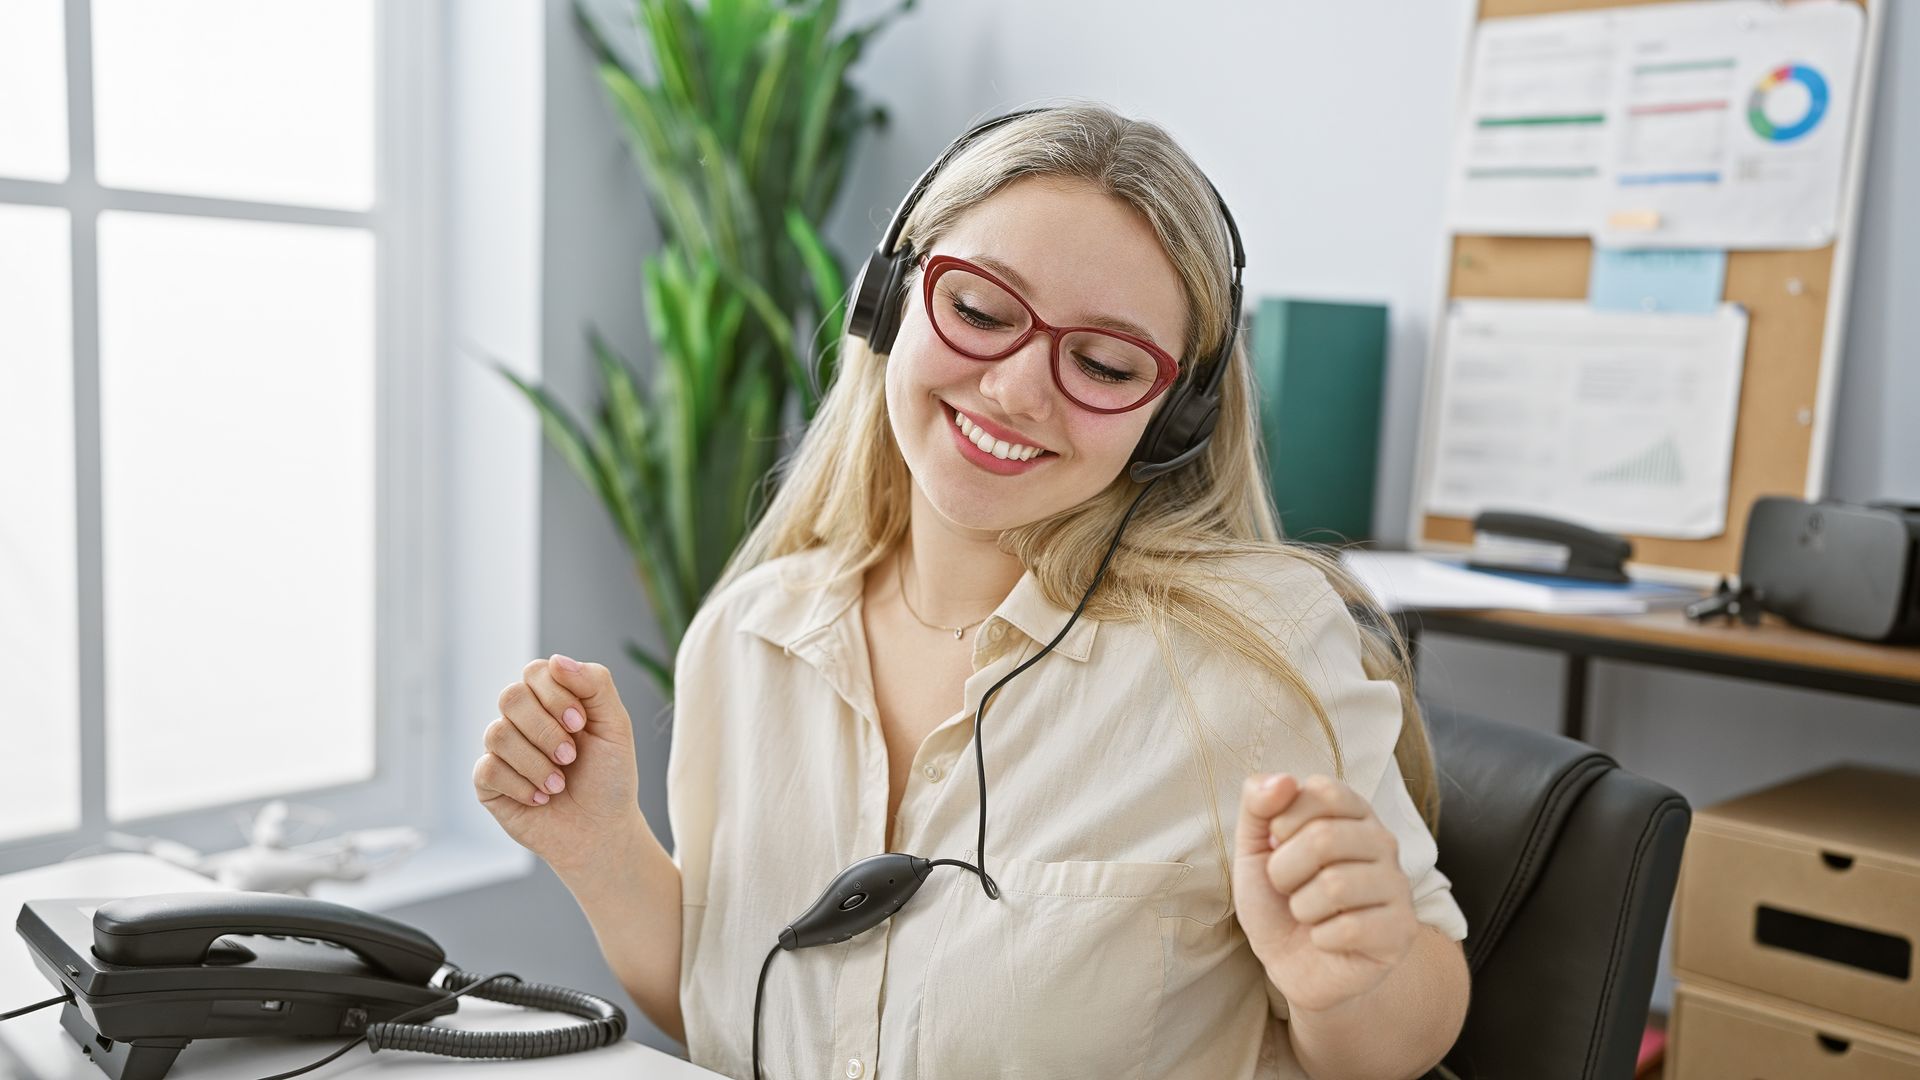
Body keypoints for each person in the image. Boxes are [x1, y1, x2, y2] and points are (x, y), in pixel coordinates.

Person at [474, 102, 1471, 1080]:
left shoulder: (1256, 656)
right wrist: (600, 847)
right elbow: (728, 1014)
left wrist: (1356, 977)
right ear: (889, 299)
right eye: (982, 310)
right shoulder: (751, 633)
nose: (1017, 390)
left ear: (1174, 420)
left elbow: (1407, 1032)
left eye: (1106, 363)